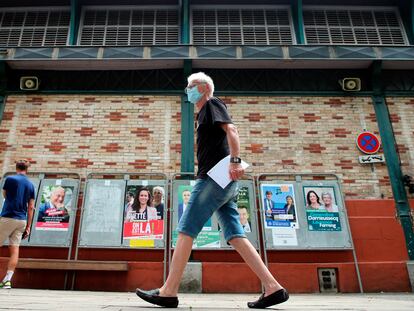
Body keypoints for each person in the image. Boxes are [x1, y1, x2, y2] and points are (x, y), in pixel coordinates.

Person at [136, 72, 288, 308]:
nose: (187, 90)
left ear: (204, 87)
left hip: (212, 180)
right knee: (235, 235)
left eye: (191, 86)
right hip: (224, 183)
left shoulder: (212, 104)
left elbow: (233, 131)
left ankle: (168, 291)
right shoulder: (203, 113)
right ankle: (272, 287)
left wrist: (235, 160)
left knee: (186, 229)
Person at [0, 160, 35, 289]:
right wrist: (29, 227)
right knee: (14, 250)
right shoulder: (31, 185)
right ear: (27, 169)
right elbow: (31, 207)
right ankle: (7, 280)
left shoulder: (10, 179)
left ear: (16, 167)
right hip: (22, 220)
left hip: (8, 217)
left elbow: (5, 195)